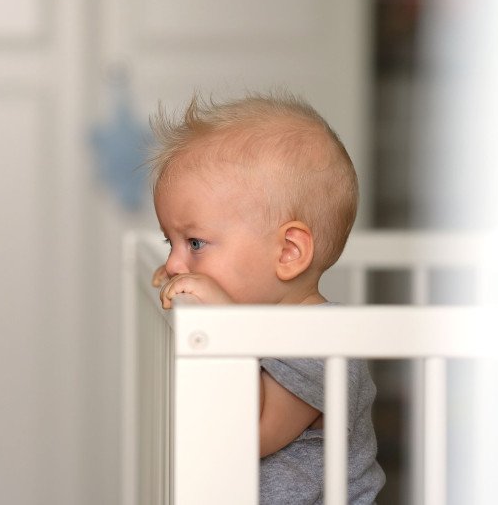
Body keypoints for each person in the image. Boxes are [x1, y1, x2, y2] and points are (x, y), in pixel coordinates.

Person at [148, 91, 385, 504]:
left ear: (288, 252)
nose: (173, 264)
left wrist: (222, 323)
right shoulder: (268, 325)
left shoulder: (322, 342)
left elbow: (249, 433)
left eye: (196, 243)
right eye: (171, 243)